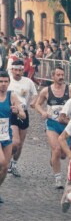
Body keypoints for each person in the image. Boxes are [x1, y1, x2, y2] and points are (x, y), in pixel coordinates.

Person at [35, 66, 71, 188]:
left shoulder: (70, 90)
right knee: (56, 149)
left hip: (66, 125)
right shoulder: (46, 91)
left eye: (62, 75)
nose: (61, 77)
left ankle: (53, 157)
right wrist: (42, 112)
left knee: (63, 154)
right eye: (58, 75)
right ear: (53, 76)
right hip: (52, 124)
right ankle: (58, 180)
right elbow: (37, 104)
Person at [8, 60, 38, 177]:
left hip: (23, 113)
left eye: (20, 70)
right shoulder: (7, 81)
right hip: (11, 113)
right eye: (16, 70)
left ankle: (13, 164)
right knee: (15, 142)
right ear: (12, 70)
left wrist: (33, 102)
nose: (18, 72)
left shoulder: (28, 82)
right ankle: (6, 159)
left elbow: (35, 94)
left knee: (21, 143)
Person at [0, 71, 26, 202]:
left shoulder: (12, 96)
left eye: (5, 81)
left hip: (6, 134)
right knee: (2, 161)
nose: (3, 84)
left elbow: (23, 115)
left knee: (4, 168)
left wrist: (17, 112)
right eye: (1, 81)